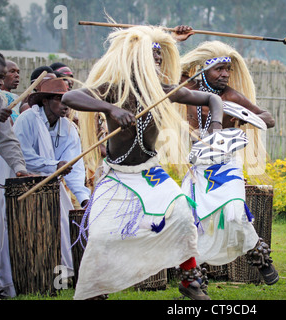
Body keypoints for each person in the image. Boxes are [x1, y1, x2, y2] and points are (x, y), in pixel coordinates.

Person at [61, 25, 224, 300]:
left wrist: (216, 126)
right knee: (101, 236)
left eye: (160, 59)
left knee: (183, 212)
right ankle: (94, 290)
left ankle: (189, 280)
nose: (157, 63)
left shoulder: (164, 91)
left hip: (150, 171)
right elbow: (69, 96)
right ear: (137, 59)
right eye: (152, 58)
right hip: (117, 174)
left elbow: (212, 98)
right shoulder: (114, 89)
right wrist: (110, 108)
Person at [176, 31, 279, 285]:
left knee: (234, 212)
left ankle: (259, 256)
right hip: (198, 165)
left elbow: (269, 118)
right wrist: (175, 39)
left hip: (226, 164)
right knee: (189, 217)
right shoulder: (187, 89)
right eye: (219, 69)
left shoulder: (231, 96)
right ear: (202, 69)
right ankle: (195, 275)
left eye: (228, 69)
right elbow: (161, 72)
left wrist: (241, 115)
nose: (224, 74)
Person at [13, 78, 91, 282]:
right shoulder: (27, 119)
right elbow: (23, 155)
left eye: (67, 99)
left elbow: (73, 167)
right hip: (22, 186)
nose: (65, 105)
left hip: (52, 188)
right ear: (45, 101)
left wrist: (83, 197)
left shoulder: (68, 128)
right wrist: (53, 166)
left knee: (63, 226)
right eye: (59, 99)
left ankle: (58, 277)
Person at [0, 52, 29, 299]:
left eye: (2, 77)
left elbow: (6, 139)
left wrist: (19, 166)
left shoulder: (0, 99)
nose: (0, 82)